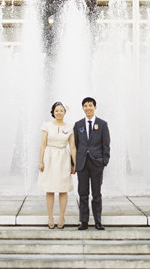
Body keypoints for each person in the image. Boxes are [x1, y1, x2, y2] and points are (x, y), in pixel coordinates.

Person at [38, 101, 77, 229]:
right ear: (53, 112)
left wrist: (75, 163)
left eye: (61, 110)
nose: (59, 113)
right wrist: (41, 161)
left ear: (65, 112)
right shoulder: (47, 125)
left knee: (63, 188)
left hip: (63, 158)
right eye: (56, 110)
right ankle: (50, 217)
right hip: (49, 157)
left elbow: (72, 146)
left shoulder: (70, 127)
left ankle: (61, 216)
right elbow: (42, 144)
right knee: (49, 188)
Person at [73, 97, 110, 230]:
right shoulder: (78, 125)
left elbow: (106, 144)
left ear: (95, 107)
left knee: (96, 194)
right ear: (83, 108)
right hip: (82, 163)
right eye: (85, 106)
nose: (88, 108)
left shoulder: (102, 124)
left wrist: (104, 161)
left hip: (97, 164)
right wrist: (74, 163)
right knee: (83, 193)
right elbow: (75, 145)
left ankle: (98, 221)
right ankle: (84, 221)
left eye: (90, 105)